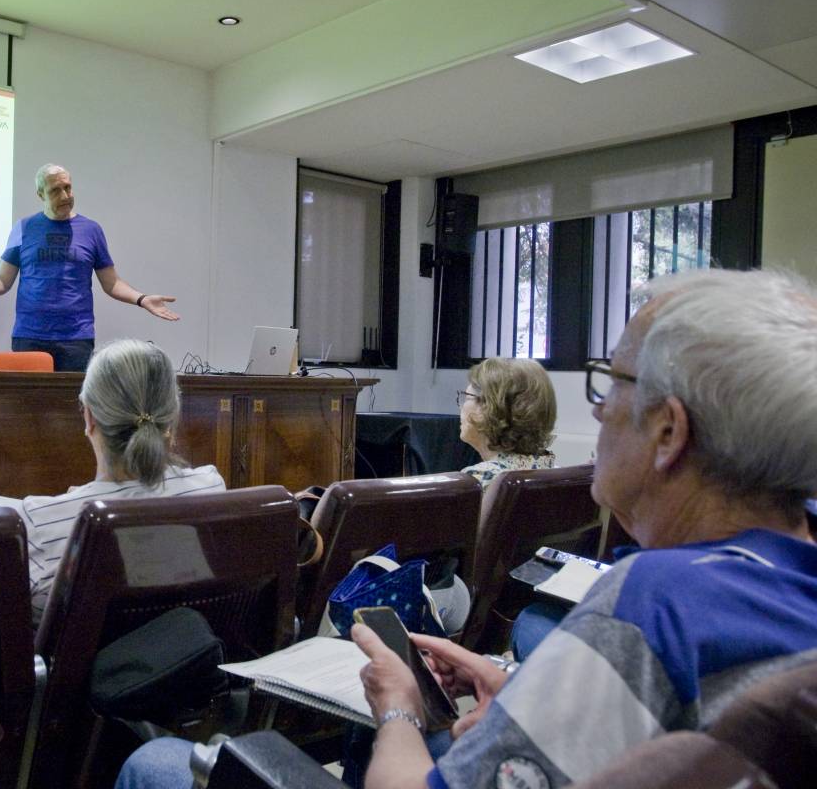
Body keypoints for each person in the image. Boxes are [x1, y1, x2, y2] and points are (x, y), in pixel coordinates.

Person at [116, 268, 817, 789]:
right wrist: (524, 692)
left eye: (612, 382)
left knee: (156, 763)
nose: (599, 411)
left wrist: (396, 708)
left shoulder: (654, 607)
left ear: (668, 431)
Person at [0, 339, 225, 625]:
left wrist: (71, 502)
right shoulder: (211, 487)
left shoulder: (38, 522)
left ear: (89, 417)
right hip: (190, 662)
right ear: (170, 418)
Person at [0, 163, 179, 372]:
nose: (65, 195)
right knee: (27, 410)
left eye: (68, 187)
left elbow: (112, 283)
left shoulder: (91, 230)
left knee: (68, 411)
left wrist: (142, 299)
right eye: (55, 190)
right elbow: (3, 280)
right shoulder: (23, 228)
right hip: (29, 336)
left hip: (76, 338)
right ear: (40, 194)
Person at [457, 357, 556, 487]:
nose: (462, 406)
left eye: (467, 397)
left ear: (487, 407)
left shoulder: (479, 479)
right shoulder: (553, 471)